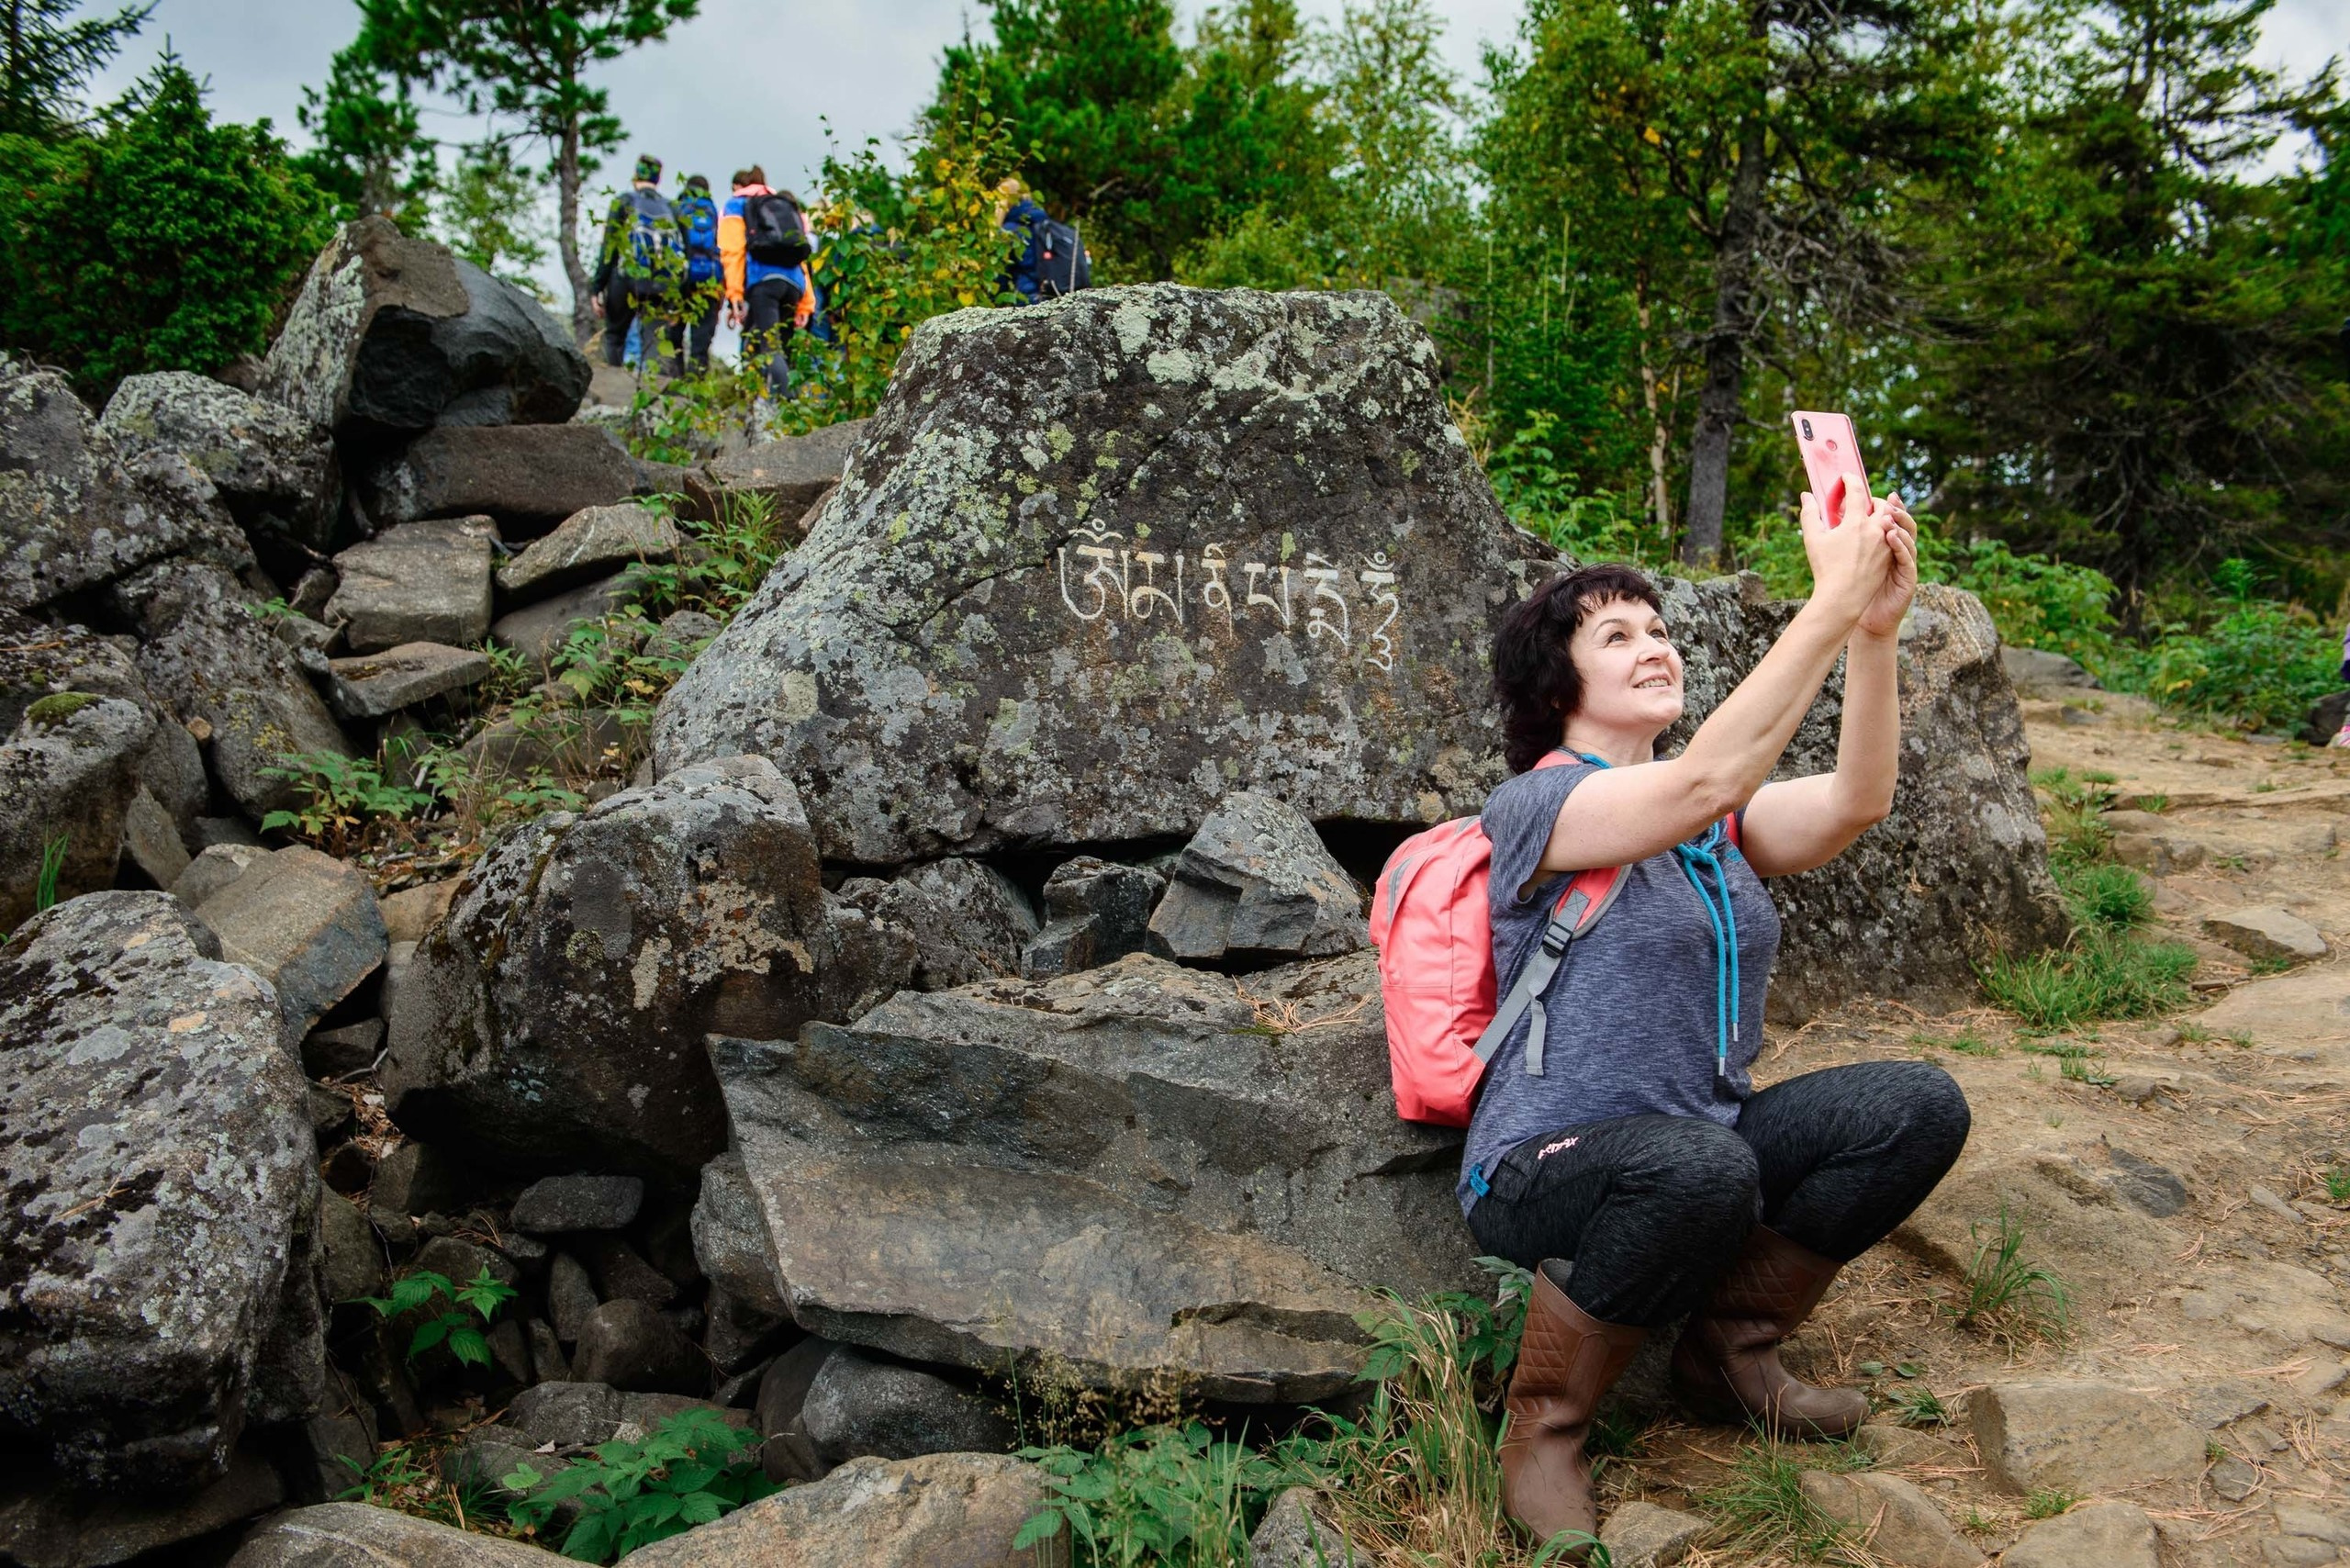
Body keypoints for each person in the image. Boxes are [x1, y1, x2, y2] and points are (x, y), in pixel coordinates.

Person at [1468, 485, 1971, 1551]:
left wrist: (1871, 633)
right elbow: (1702, 778)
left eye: (1658, 629)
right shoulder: (1534, 809)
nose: (1653, 645)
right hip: (1541, 1164)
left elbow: (1854, 801)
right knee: (1702, 1165)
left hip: (1705, 1141)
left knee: (1913, 1107)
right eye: (1616, 635)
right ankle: (1546, 1424)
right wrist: (1827, 600)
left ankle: (1728, 1355)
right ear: (1556, 683)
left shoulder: (1713, 829)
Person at [719, 164, 815, 399]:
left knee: (769, 348)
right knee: (780, 349)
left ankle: (782, 405)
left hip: (764, 282)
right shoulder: (783, 205)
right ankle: (776, 402)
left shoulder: (736, 205)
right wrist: (806, 303)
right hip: (794, 286)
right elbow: (801, 259)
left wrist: (734, 294)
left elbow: (733, 252)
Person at [590, 154, 686, 371]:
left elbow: (609, 248)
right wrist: (679, 295)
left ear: (635, 176)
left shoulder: (623, 201)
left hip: (625, 280)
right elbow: (684, 252)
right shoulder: (673, 208)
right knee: (656, 341)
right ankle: (654, 388)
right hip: (662, 283)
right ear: (658, 179)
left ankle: (613, 385)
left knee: (615, 336)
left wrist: (597, 287)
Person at [675, 174, 724, 373]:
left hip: (681, 282)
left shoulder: (678, 209)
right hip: (708, 285)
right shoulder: (714, 212)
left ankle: (673, 382)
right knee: (700, 344)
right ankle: (696, 385)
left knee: (673, 338)